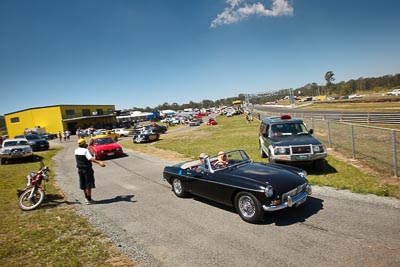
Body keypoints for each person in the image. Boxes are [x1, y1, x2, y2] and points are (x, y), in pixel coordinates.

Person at [74, 138, 106, 204]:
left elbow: (84, 149)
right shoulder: (86, 151)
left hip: (80, 169)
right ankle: (89, 199)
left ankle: (86, 198)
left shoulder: (76, 150)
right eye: (85, 143)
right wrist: (99, 162)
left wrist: (87, 147)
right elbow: (90, 158)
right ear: (83, 144)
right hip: (87, 169)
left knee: (83, 184)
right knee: (88, 184)